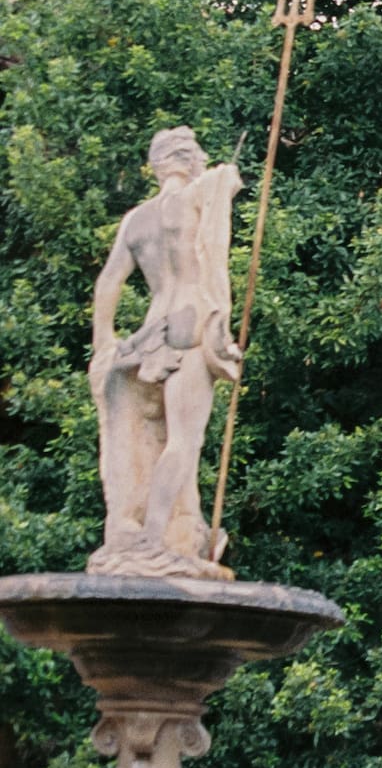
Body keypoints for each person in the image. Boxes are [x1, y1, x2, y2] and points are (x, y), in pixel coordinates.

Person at [88, 127, 242, 579]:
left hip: (151, 329)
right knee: (183, 440)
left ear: (157, 166)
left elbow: (109, 283)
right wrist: (223, 183)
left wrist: (103, 343)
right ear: (190, 161)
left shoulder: (136, 219)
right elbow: (216, 209)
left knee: (158, 438)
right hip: (190, 324)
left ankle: (183, 531)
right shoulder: (197, 196)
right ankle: (155, 541)